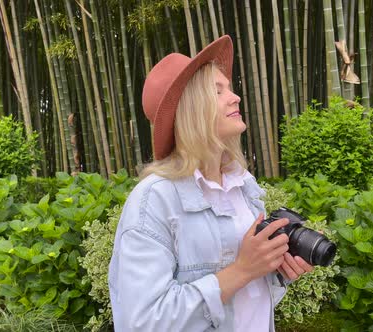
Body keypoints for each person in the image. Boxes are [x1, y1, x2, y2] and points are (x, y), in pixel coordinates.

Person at [108, 35, 314, 332]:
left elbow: (244, 303)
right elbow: (142, 322)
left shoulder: (243, 186)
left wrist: (277, 273)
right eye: (218, 91)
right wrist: (242, 271)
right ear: (191, 108)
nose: (235, 97)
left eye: (229, 88)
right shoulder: (155, 199)